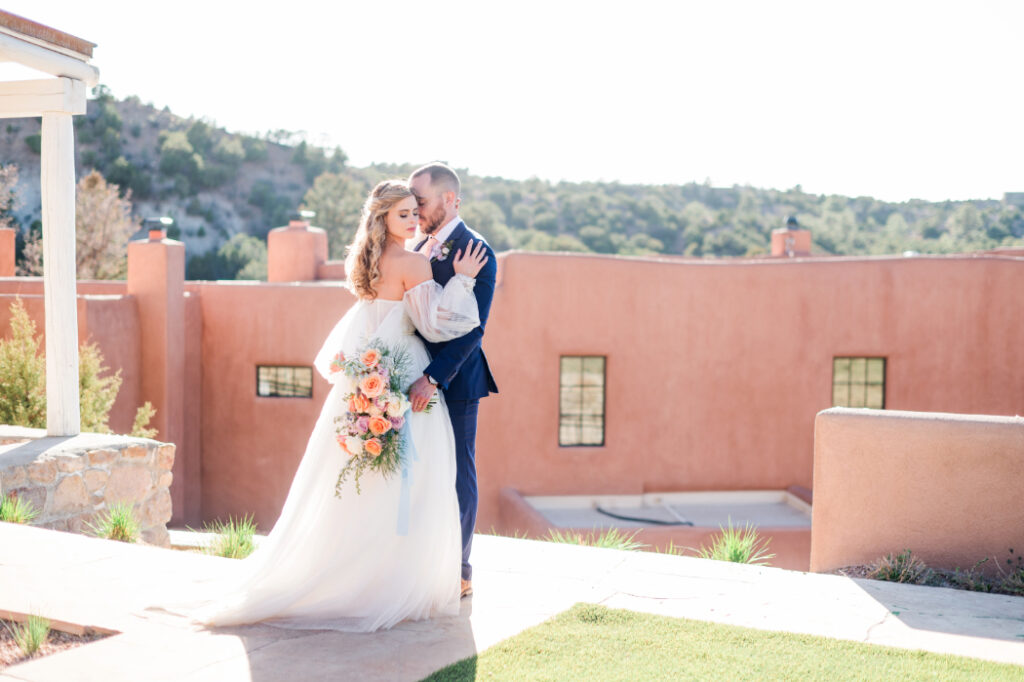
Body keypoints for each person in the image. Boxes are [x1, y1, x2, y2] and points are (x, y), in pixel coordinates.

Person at [150, 180, 488, 632]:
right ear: (384, 217)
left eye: (414, 212)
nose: (412, 221)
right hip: (404, 374)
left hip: (366, 373)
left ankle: (357, 572)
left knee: (360, 481)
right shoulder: (414, 263)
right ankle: (395, 579)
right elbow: (440, 325)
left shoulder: (362, 261)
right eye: (403, 214)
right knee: (418, 475)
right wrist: (462, 279)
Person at [407, 163, 499, 599]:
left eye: (420, 201)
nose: (414, 209)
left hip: (455, 382)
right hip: (412, 377)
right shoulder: (419, 245)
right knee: (423, 470)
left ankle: (460, 570)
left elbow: (473, 330)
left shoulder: (477, 250)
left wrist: (433, 379)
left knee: (459, 472)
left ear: (449, 199)